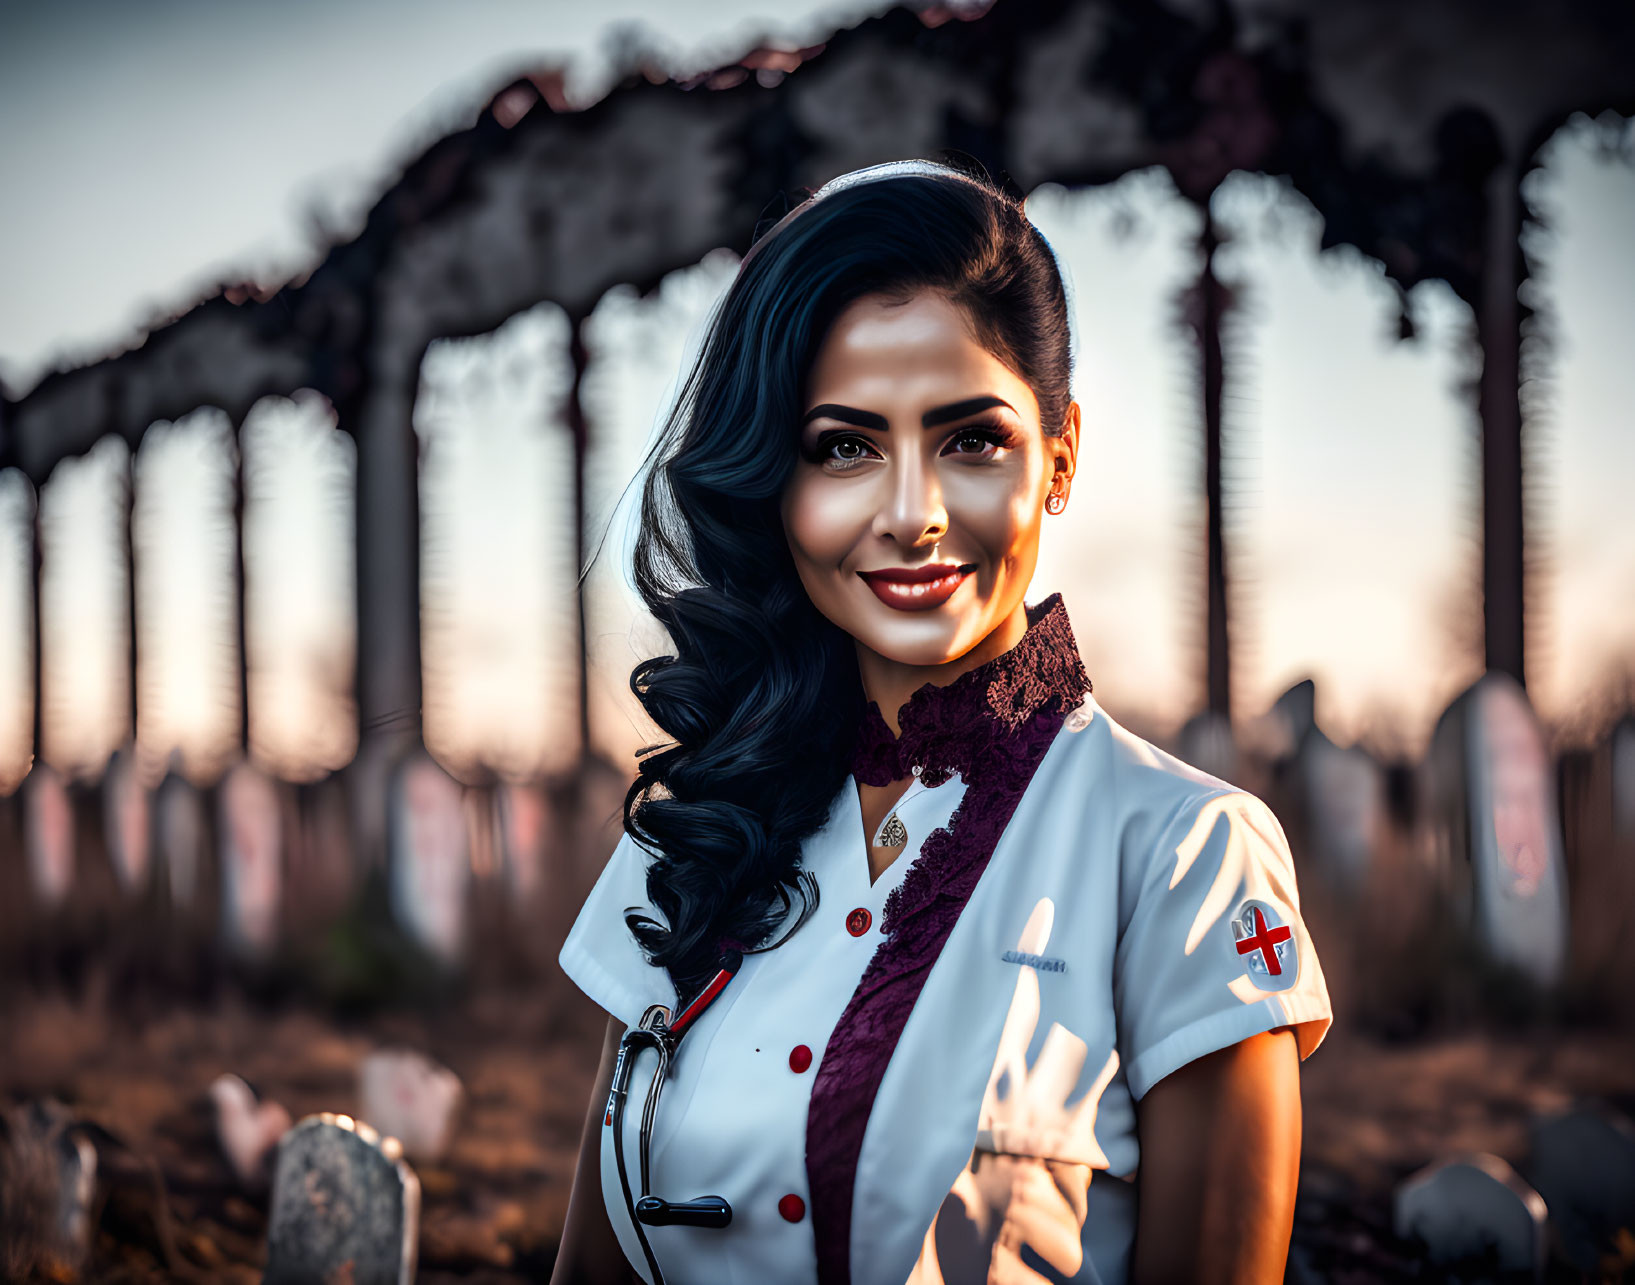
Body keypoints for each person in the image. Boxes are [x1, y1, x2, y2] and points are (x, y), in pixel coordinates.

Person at [550, 159, 1331, 1285]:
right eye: (844, 446)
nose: (912, 516)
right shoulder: (691, 831)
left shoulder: (1186, 857)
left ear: (1060, 453)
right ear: (778, 479)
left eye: (971, 440)